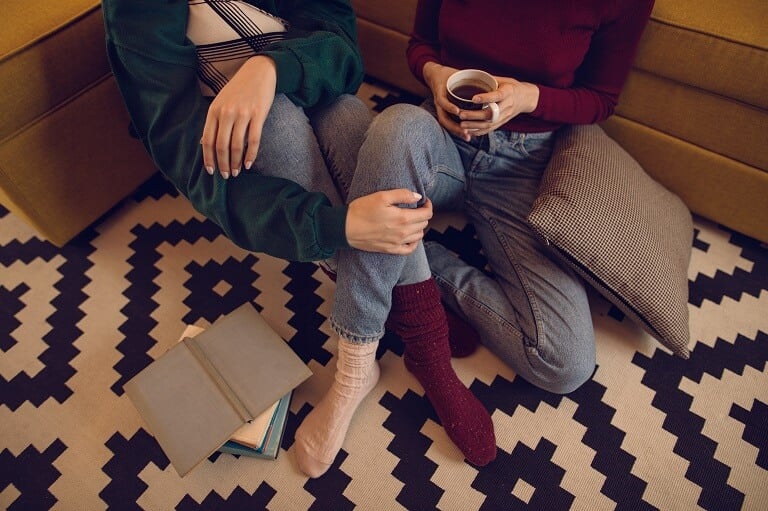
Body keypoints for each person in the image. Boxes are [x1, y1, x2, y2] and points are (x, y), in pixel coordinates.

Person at [103, 0, 496, 479]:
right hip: (248, 135)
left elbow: (343, 51)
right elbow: (197, 171)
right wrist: (336, 225)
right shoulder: (136, 11)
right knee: (278, 120)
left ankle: (410, 346)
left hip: (309, 78)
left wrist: (268, 68)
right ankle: (407, 337)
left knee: (348, 118)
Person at [345, 0, 656, 396]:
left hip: (522, 165)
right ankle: (369, 356)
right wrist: (435, 75)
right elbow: (421, 44)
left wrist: (528, 98)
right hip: (442, 135)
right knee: (393, 130)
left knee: (565, 364)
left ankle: (413, 268)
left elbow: (601, 99)